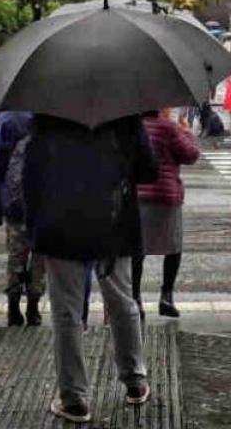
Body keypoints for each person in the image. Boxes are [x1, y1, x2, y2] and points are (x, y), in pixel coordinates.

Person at [26, 114, 157, 423]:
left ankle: (73, 398)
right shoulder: (125, 116)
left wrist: (35, 230)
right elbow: (148, 170)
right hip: (113, 225)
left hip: (61, 226)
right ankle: (135, 380)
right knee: (122, 303)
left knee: (67, 312)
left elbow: (31, 178)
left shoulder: (47, 117)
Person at [133, 109, 200, 319]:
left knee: (137, 250)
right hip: (166, 195)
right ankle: (166, 296)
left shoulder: (134, 127)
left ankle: (135, 298)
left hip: (138, 194)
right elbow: (190, 155)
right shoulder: (168, 127)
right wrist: (187, 132)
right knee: (173, 246)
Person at [0, 110, 45, 327]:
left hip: (14, 204)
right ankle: (33, 306)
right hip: (42, 203)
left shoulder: (6, 121)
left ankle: (13, 307)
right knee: (40, 256)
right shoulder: (45, 117)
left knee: (16, 255)